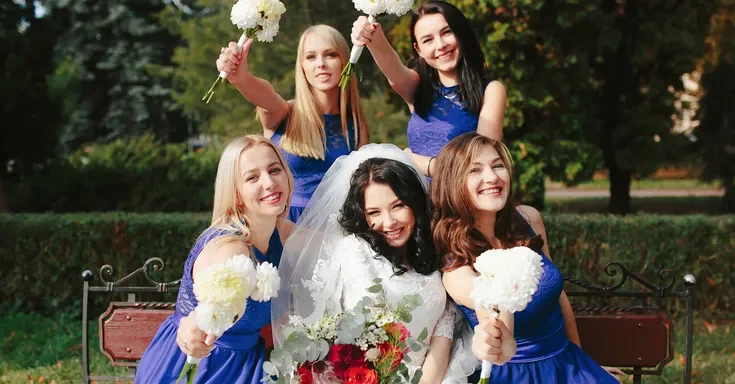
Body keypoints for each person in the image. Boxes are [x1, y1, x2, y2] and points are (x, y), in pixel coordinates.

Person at [271, 144, 477, 382]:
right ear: (363, 215)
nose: (389, 222)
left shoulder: (435, 251)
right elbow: (369, 333)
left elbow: (443, 334)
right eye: (374, 213)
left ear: (414, 204)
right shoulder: (356, 251)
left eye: (398, 206)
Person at [431, 133, 618, 383]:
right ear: (453, 184)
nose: (493, 177)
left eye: (497, 165)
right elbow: (498, 329)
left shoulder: (528, 219)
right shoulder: (457, 267)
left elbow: (558, 297)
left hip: (567, 362)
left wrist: (584, 366)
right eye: (475, 170)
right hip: (518, 375)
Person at [135, 135, 295, 383]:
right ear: (236, 192)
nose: (269, 182)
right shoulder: (231, 249)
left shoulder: (280, 230)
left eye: (275, 170)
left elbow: (332, 244)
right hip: (202, 368)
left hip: (246, 365)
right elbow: (204, 315)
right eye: (252, 177)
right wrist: (191, 329)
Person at [217, 24, 370, 221]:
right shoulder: (284, 112)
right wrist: (242, 78)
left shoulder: (356, 125)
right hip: (284, 226)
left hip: (335, 230)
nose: (321, 64)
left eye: (330, 54)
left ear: (345, 62)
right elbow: (265, 95)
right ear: (302, 66)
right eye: (311, 57)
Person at [350, 0, 506, 177]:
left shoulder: (491, 90)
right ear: (418, 49)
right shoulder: (418, 87)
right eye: (428, 40)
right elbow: (392, 67)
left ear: (461, 33)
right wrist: (369, 33)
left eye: (447, 32)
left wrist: (417, 161)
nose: (440, 45)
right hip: (415, 198)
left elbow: (483, 165)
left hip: (460, 199)